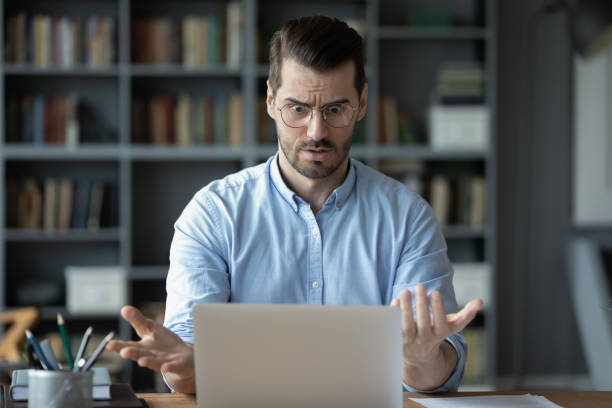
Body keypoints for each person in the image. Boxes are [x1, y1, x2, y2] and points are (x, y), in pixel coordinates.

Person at [106, 15, 483, 394]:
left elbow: (436, 377)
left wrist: (421, 359)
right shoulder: (212, 214)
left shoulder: (408, 218)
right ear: (270, 101)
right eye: (298, 109)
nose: (316, 131)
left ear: (362, 103)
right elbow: (182, 370)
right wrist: (188, 365)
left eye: (335, 109)